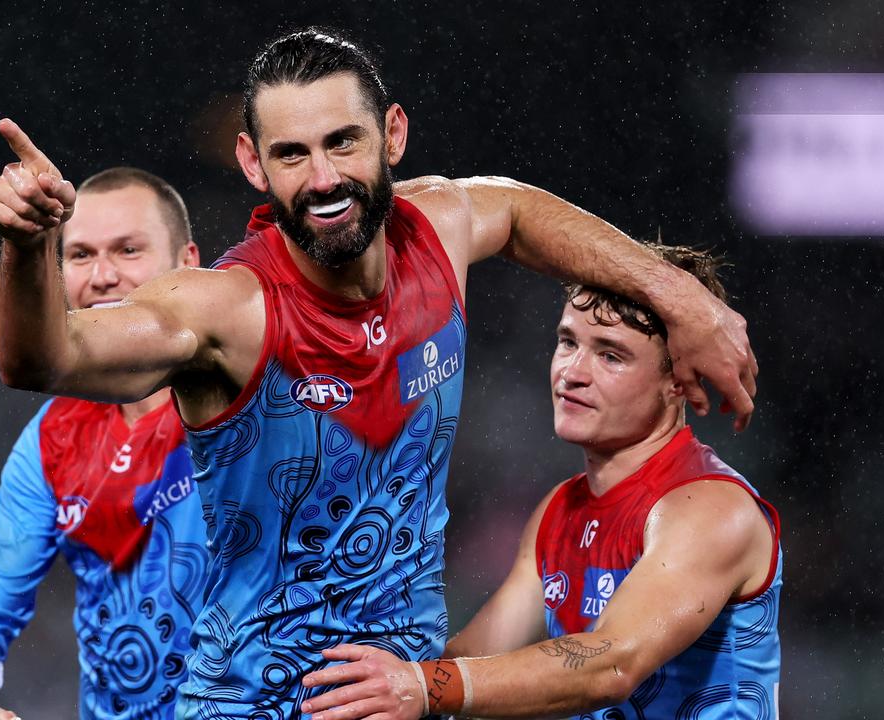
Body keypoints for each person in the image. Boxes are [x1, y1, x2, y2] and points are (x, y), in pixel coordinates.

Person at [0, 28, 758, 717]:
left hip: (399, 696)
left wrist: (681, 297)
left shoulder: (439, 232)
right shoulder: (225, 308)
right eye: (291, 153)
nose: (322, 179)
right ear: (253, 162)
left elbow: (517, 209)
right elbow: (42, 359)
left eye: (342, 142)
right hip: (251, 705)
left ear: (393, 134)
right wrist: (24, 249)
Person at [298, 245, 780, 720]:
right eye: (568, 342)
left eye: (611, 356)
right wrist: (358, 687)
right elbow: (475, 658)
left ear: (678, 381)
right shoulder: (559, 509)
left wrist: (422, 687)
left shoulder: (711, 508)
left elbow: (612, 665)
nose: (572, 373)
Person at [0, 167, 208, 720]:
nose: (103, 275)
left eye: (128, 250)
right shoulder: (51, 442)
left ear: (188, 263)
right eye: (79, 255)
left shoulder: (256, 392)